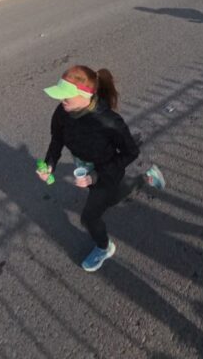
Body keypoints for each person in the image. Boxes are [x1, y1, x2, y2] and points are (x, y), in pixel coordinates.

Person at [38, 65, 166, 272]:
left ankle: (104, 247)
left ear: (84, 96)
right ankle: (140, 177)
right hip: (85, 166)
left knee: (90, 216)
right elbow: (57, 139)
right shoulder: (63, 112)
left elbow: (130, 152)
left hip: (107, 169)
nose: (61, 102)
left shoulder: (108, 121)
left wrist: (95, 176)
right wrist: (49, 165)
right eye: (60, 97)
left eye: (66, 98)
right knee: (111, 200)